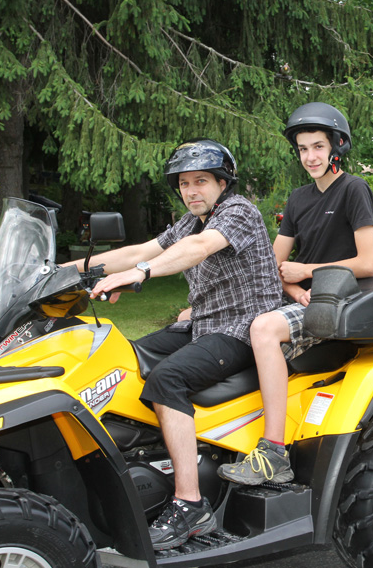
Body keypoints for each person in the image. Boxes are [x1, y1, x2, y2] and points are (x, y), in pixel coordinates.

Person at [78, 139, 282, 550]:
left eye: (201, 181)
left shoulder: (237, 211)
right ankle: (142, 454)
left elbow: (196, 250)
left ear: (222, 183)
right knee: (124, 356)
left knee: (168, 378)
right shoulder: (190, 221)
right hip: (203, 323)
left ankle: (190, 504)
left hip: (241, 328)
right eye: (185, 184)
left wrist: (140, 273)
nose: (191, 191)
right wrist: (64, 271)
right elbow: (142, 249)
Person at [217, 102, 373, 486]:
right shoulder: (298, 199)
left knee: (263, 329)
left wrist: (306, 273)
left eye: (319, 147)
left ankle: (273, 452)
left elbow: (369, 263)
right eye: (304, 149)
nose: (310, 156)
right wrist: (292, 287)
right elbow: (275, 264)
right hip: (305, 297)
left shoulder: (353, 190)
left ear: (337, 147)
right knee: (205, 318)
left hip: (340, 300)